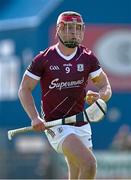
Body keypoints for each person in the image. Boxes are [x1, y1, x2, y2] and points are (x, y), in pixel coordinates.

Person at [18, 11, 112, 179]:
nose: (74, 33)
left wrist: (100, 96)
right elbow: (24, 89)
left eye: (77, 28)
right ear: (59, 30)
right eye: (69, 28)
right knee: (89, 164)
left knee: (76, 172)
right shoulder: (44, 59)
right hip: (56, 125)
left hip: (81, 122)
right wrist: (34, 117)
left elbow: (105, 86)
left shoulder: (88, 58)